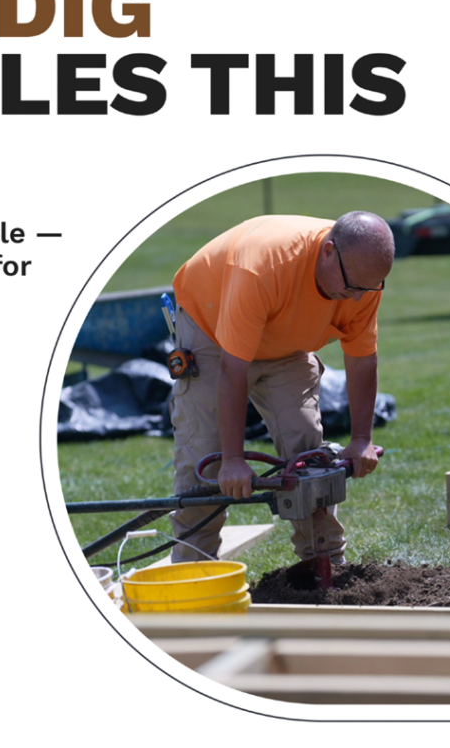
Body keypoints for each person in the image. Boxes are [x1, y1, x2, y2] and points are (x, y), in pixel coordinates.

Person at [168, 211, 394, 567]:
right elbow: (232, 370)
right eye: (352, 287)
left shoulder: (362, 279)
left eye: (368, 288)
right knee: (205, 464)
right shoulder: (263, 267)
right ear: (328, 252)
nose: (356, 299)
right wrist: (233, 460)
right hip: (212, 332)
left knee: (307, 454)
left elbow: (362, 359)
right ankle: (191, 575)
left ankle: (324, 567)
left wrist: (362, 439)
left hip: (285, 344)